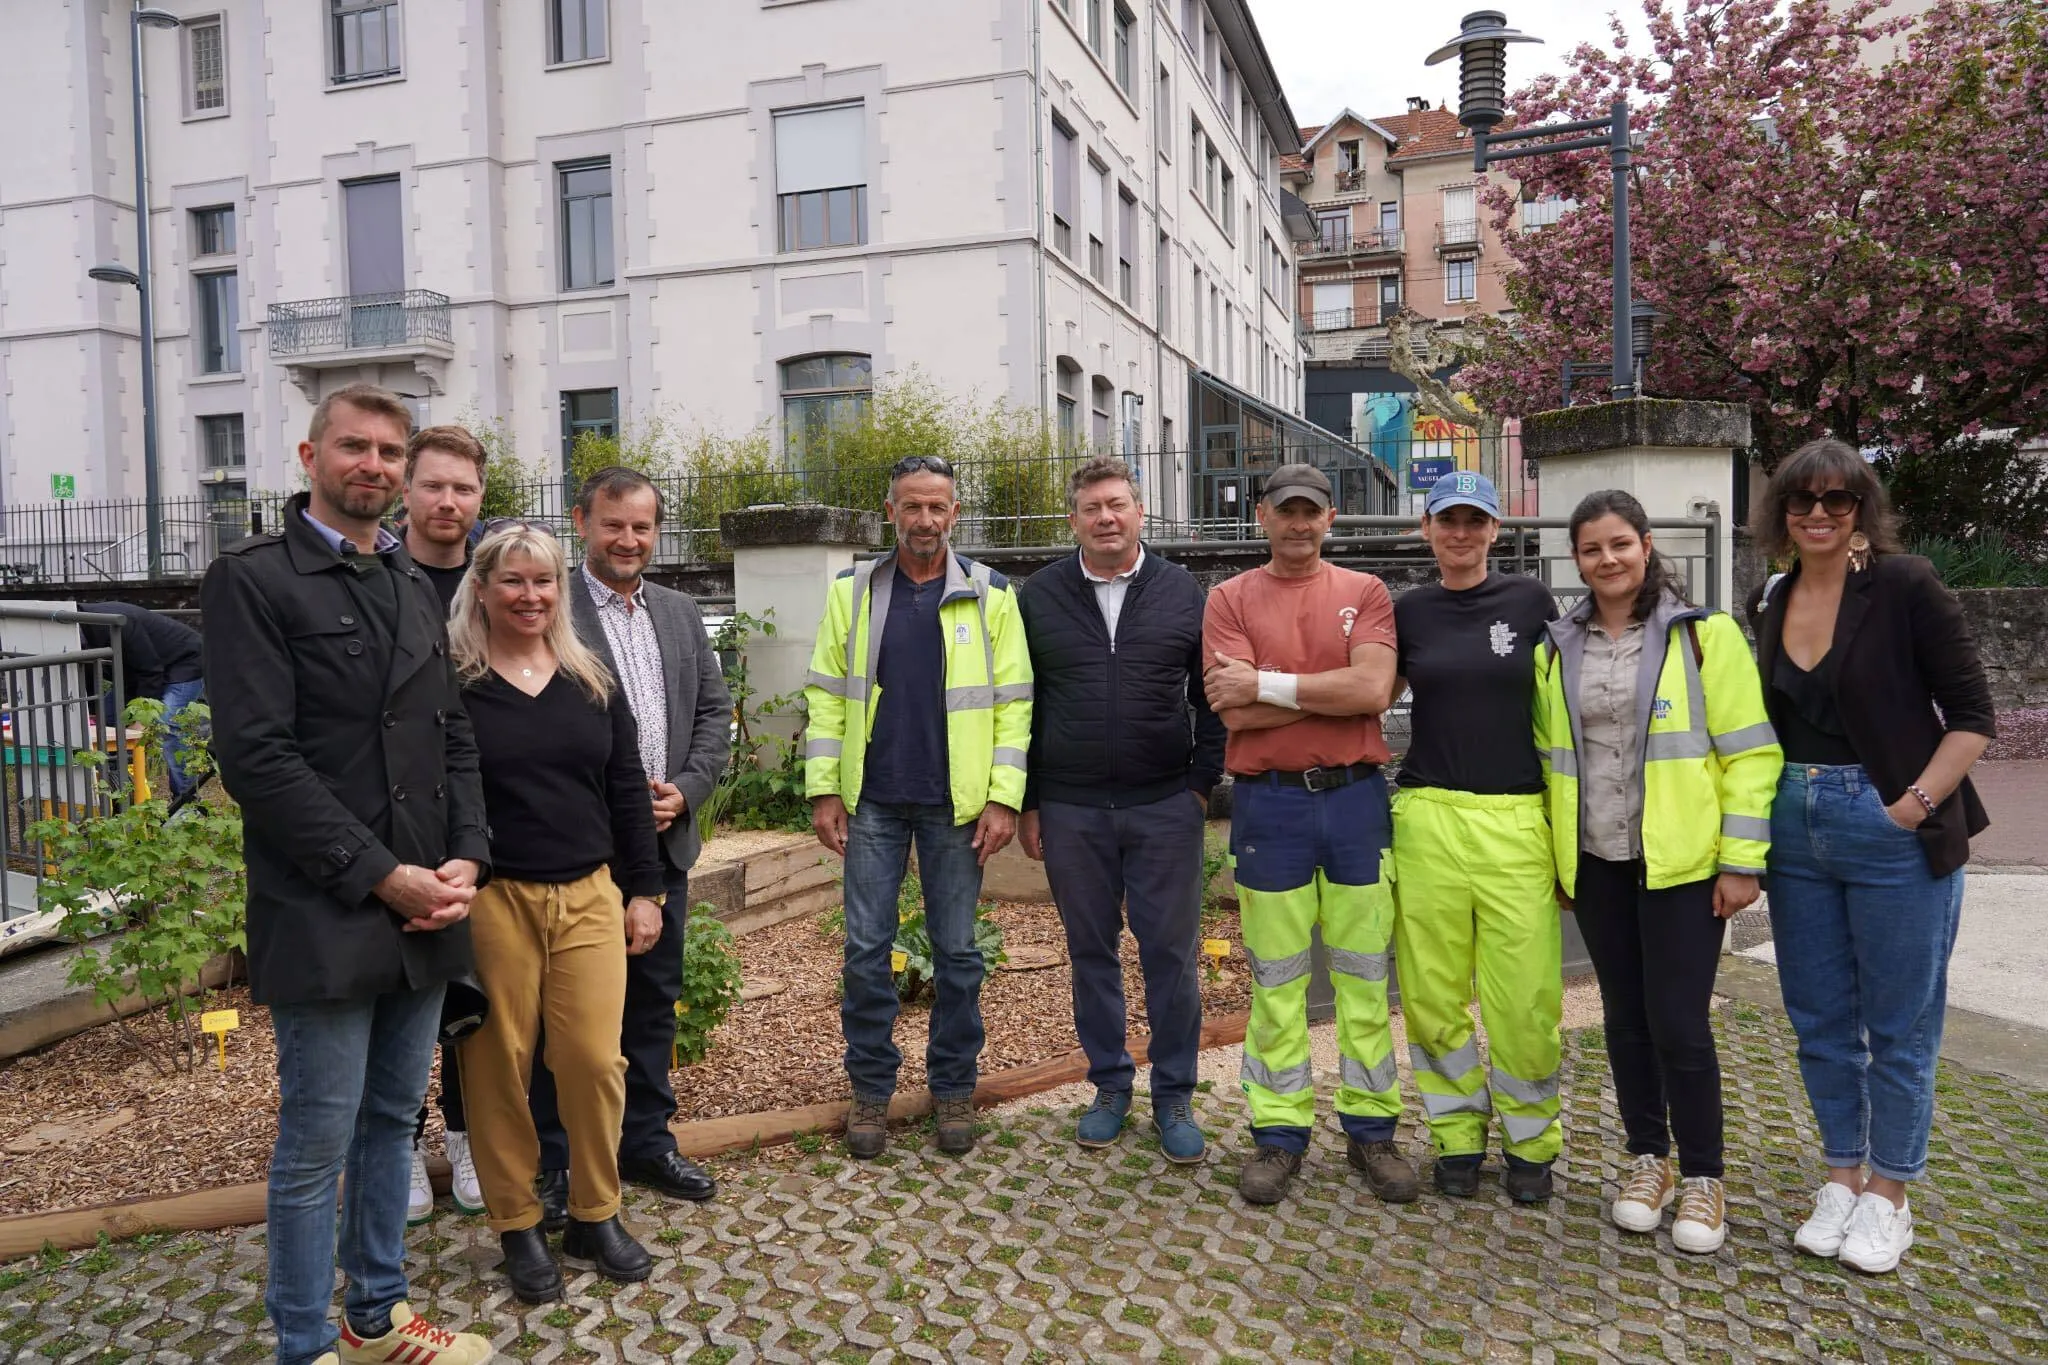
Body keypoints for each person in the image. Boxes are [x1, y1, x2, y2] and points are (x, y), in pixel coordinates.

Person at [200, 381, 493, 1365]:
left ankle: (377, 1318)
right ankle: (300, 1343)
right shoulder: (253, 580)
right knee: (315, 1144)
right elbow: (258, 761)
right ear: (308, 456)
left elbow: (452, 738)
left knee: (391, 1123)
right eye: (354, 447)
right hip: (325, 906)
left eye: (388, 452)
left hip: (425, 907)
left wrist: (467, 857)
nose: (373, 465)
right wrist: (382, 877)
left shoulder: (410, 582)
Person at [1750, 439, 1995, 1275]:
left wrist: (1912, 805)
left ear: (1863, 509)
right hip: (1795, 824)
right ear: (1781, 512)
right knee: (1818, 1018)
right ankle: (1842, 1176)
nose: (1819, 514)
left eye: (1838, 500)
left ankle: (1892, 1193)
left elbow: (1971, 713)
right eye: (1803, 501)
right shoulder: (1771, 596)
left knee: (1900, 1025)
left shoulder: (1903, 585)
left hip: (1890, 824)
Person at [1534, 488, 1781, 1255]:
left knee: (1679, 1021)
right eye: (1590, 549)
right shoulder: (1556, 647)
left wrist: (1742, 859)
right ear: (1575, 559)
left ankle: (1705, 1173)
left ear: (1646, 545)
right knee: (1626, 1020)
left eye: (1619, 544)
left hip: (1681, 866)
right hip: (1600, 861)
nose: (1606, 559)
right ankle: (1649, 1160)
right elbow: (1552, 764)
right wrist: (1560, 857)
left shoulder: (1706, 637)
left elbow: (1751, 753)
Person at [448, 522, 664, 1304]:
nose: (530, 595)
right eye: (513, 580)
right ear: (483, 588)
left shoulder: (591, 679)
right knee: (497, 1065)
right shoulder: (457, 686)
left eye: (543, 581)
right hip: (495, 899)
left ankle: (593, 1211)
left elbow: (627, 792)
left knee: (594, 1063)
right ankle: (516, 1223)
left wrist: (646, 891)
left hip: (589, 896)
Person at [803, 454, 1033, 1160]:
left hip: (957, 809)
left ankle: (954, 1087)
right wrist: (822, 788)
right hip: (871, 800)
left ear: (955, 513)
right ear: (891, 509)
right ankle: (871, 1089)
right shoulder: (855, 591)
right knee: (866, 952)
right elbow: (824, 693)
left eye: (937, 507)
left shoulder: (992, 595)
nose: (925, 520)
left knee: (958, 954)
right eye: (912, 506)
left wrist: (1002, 797)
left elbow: (1014, 705)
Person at [527, 466, 732, 1223]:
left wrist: (689, 785)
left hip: (665, 843)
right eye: (613, 524)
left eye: (642, 526)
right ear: (582, 522)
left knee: (652, 1004)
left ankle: (645, 1139)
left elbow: (714, 711)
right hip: (578, 851)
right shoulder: (552, 608)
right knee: (565, 1017)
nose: (628, 539)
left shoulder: (679, 613)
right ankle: (557, 1161)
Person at [1201, 462, 1407, 1208]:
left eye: (1310, 511)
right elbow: (1234, 713)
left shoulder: (1365, 593)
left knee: (1364, 974)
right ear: (1261, 517)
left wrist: (1268, 683)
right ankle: (1279, 1133)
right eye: (1284, 510)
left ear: (1332, 519)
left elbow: (1373, 691)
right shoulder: (1228, 598)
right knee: (1278, 979)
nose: (1297, 522)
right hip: (1272, 806)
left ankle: (1372, 1129)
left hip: (1354, 802)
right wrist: (1331, 695)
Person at [1016, 456, 1225, 1162]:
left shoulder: (1182, 592)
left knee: (1170, 955)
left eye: (1118, 504)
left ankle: (1174, 1095)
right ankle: (1109, 1084)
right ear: (1072, 519)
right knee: (1091, 952)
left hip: (1164, 802)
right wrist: (1033, 799)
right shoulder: (1039, 596)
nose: (1106, 517)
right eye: (1091, 507)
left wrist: (1199, 785)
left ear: (1141, 512)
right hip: (1072, 808)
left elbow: (1212, 697)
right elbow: (1024, 705)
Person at [1390, 471, 1563, 1203]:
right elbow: (1369, 696)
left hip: (1516, 818)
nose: (1461, 533)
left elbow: (1563, 715)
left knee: (1523, 996)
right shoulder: (1408, 611)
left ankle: (1532, 1142)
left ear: (1497, 530)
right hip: (1427, 815)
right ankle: (1457, 1134)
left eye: (1476, 521)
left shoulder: (1530, 602)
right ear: (1426, 529)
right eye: (1447, 520)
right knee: (1431, 993)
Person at [395, 425, 489, 1223]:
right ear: (408, 491)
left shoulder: (495, 581)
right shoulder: (378, 576)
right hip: (395, 819)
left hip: (483, 820)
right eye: (434, 485)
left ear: (480, 498)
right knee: (392, 989)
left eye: (463, 488)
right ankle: (400, 1142)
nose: (448, 501)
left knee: (472, 991)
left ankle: (464, 1136)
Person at [79, 601, 206, 799]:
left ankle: (186, 801)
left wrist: (141, 722)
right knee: (106, 718)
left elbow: (151, 672)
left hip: (185, 661)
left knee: (169, 724)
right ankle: (115, 786)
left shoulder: (116, 622)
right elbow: (89, 674)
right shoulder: (77, 625)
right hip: (141, 672)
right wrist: (93, 712)